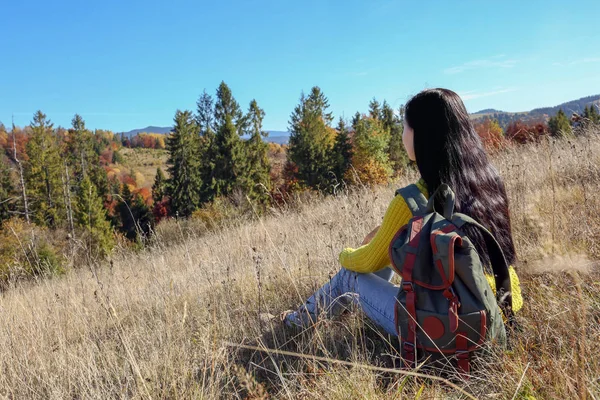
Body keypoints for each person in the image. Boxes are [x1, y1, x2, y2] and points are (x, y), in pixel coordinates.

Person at [283, 88, 523, 334]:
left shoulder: (415, 198)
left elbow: (367, 260)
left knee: (348, 276)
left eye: (405, 127)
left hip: (446, 330)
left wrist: (345, 254)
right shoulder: (489, 183)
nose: (402, 135)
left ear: (422, 135)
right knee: (388, 245)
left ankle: (293, 323)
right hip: (500, 314)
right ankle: (335, 311)